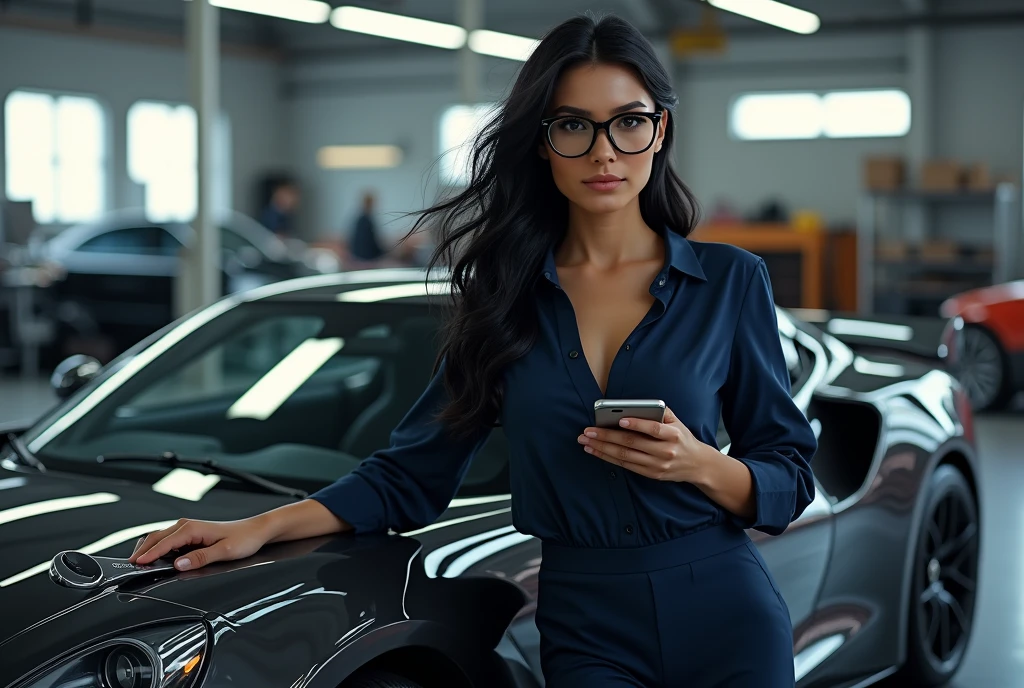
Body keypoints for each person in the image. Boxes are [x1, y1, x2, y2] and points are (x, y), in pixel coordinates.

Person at [131, 13, 816, 688]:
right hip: (589, 622)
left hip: (726, 605)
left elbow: (788, 472)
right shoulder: (504, 296)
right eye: (574, 125)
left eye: (629, 121)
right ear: (543, 143)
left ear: (659, 129)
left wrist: (700, 465)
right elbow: (409, 475)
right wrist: (260, 526)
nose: (604, 151)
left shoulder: (729, 281)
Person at [349, 191, 386, 262]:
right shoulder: (365, 221)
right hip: (365, 257)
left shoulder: (362, 219)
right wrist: (383, 252)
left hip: (361, 255)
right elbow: (367, 243)